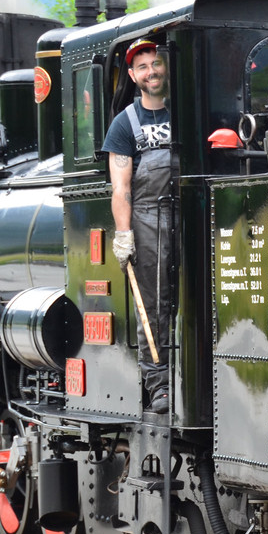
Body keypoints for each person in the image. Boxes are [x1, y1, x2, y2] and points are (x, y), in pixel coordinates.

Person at [101, 38, 177, 414]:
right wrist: (124, 234)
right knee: (153, 301)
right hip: (148, 216)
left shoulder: (185, 111)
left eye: (156, 63)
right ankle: (159, 382)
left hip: (186, 210)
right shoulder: (125, 123)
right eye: (143, 67)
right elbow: (122, 187)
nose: (151, 71)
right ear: (133, 76)